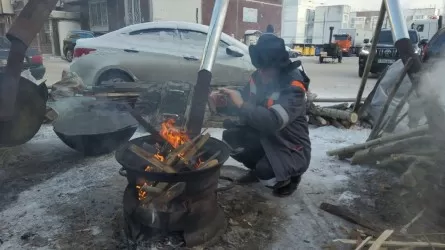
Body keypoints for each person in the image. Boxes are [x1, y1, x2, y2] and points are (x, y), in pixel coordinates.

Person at [220, 34, 311, 197]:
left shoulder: (294, 88)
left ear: (278, 66)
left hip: (289, 145)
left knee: (266, 172)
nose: (260, 72)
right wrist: (225, 101)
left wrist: (241, 104)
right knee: (230, 137)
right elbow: (245, 96)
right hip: (264, 136)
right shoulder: (259, 76)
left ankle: (291, 178)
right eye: (259, 66)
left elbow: (272, 121)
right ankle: (257, 169)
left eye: (265, 68)